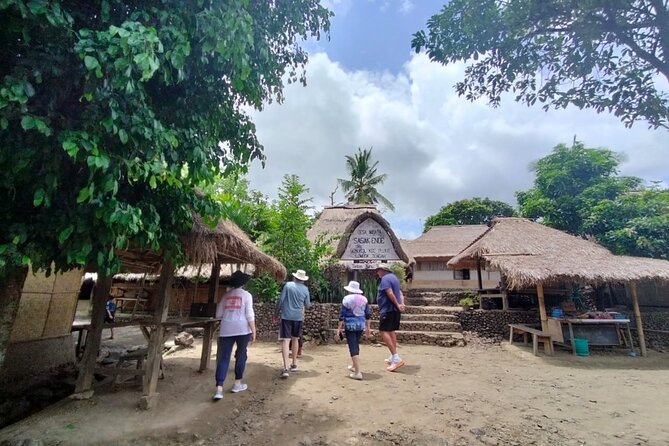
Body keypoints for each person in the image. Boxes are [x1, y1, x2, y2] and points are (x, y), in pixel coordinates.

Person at [212, 271, 257, 401]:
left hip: (226, 329)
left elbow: (218, 314)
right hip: (243, 329)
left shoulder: (226, 296)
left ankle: (219, 389)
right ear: (243, 283)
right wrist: (253, 330)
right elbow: (249, 314)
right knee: (241, 355)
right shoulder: (247, 295)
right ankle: (237, 384)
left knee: (224, 358)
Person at [276, 269, 311, 378]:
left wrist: (276, 313)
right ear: (303, 280)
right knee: (295, 338)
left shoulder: (288, 285)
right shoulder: (305, 289)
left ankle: (285, 368)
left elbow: (281, 300)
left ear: (295, 277)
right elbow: (308, 305)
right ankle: (294, 363)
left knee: (286, 341)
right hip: (298, 317)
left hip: (286, 316)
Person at [336, 281, 371, 380]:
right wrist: (368, 328)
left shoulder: (347, 299)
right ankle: (354, 366)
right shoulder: (364, 299)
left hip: (350, 326)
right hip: (360, 325)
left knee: (352, 347)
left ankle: (358, 372)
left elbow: (342, 316)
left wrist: (339, 329)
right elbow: (368, 314)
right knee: (356, 344)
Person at [375, 264, 406, 372]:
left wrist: (397, 304)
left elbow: (390, 293)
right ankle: (393, 356)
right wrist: (401, 303)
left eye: (378, 270)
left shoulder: (385, 279)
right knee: (391, 331)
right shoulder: (394, 278)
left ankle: (396, 358)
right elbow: (400, 293)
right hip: (394, 310)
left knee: (383, 331)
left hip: (388, 309)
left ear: (383, 270)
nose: (377, 273)